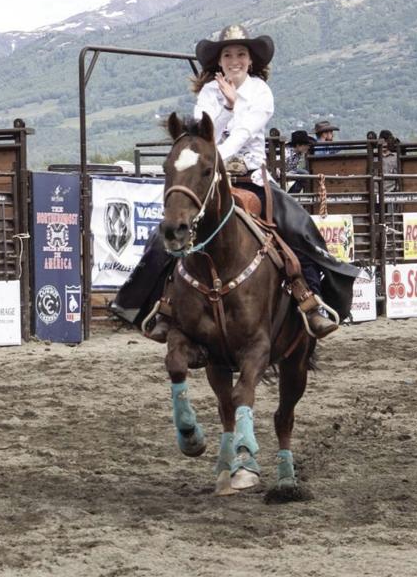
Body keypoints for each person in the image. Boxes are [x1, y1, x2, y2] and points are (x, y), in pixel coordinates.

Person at [113, 24, 356, 341]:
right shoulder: (208, 92)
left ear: (251, 60)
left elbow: (243, 132)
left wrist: (233, 107)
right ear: (220, 61)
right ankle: (158, 307)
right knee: (167, 233)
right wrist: (226, 108)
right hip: (211, 179)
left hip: (252, 177)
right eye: (228, 54)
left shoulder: (260, 92)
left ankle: (312, 304)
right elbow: (204, 134)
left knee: (298, 227)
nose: (234, 60)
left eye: (241, 54)